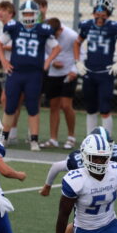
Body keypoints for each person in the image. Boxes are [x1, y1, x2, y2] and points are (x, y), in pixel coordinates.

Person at [0, 0, 61, 151]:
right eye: (26, 13)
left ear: (36, 14)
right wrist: (4, 61)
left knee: (33, 107)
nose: (28, 16)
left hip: (34, 74)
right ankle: (4, 137)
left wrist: (48, 61)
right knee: (10, 106)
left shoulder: (43, 29)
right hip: (16, 72)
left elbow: (57, 48)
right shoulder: (14, 27)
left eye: (31, 13)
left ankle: (34, 140)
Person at [75, 0, 117, 135]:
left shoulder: (114, 27)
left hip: (105, 73)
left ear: (108, 14)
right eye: (97, 14)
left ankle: (106, 141)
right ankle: (90, 139)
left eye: (103, 15)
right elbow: (77, 42)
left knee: (105, 109)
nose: (99, 18)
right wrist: (77, 61)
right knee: (90, 109)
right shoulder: (86, 25)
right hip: (89, 72)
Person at [43, 17, 79, 150]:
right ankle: (53, 139)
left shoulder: (72, 35)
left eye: (55, 34)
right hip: (53, 74)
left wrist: (74, 70)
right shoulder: (46, 34)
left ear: (60, 30)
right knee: (54, 106)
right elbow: (43, 52)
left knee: (66, 105)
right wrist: (52, 62)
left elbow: (81, 53)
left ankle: (71, 137)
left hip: (69, 73)